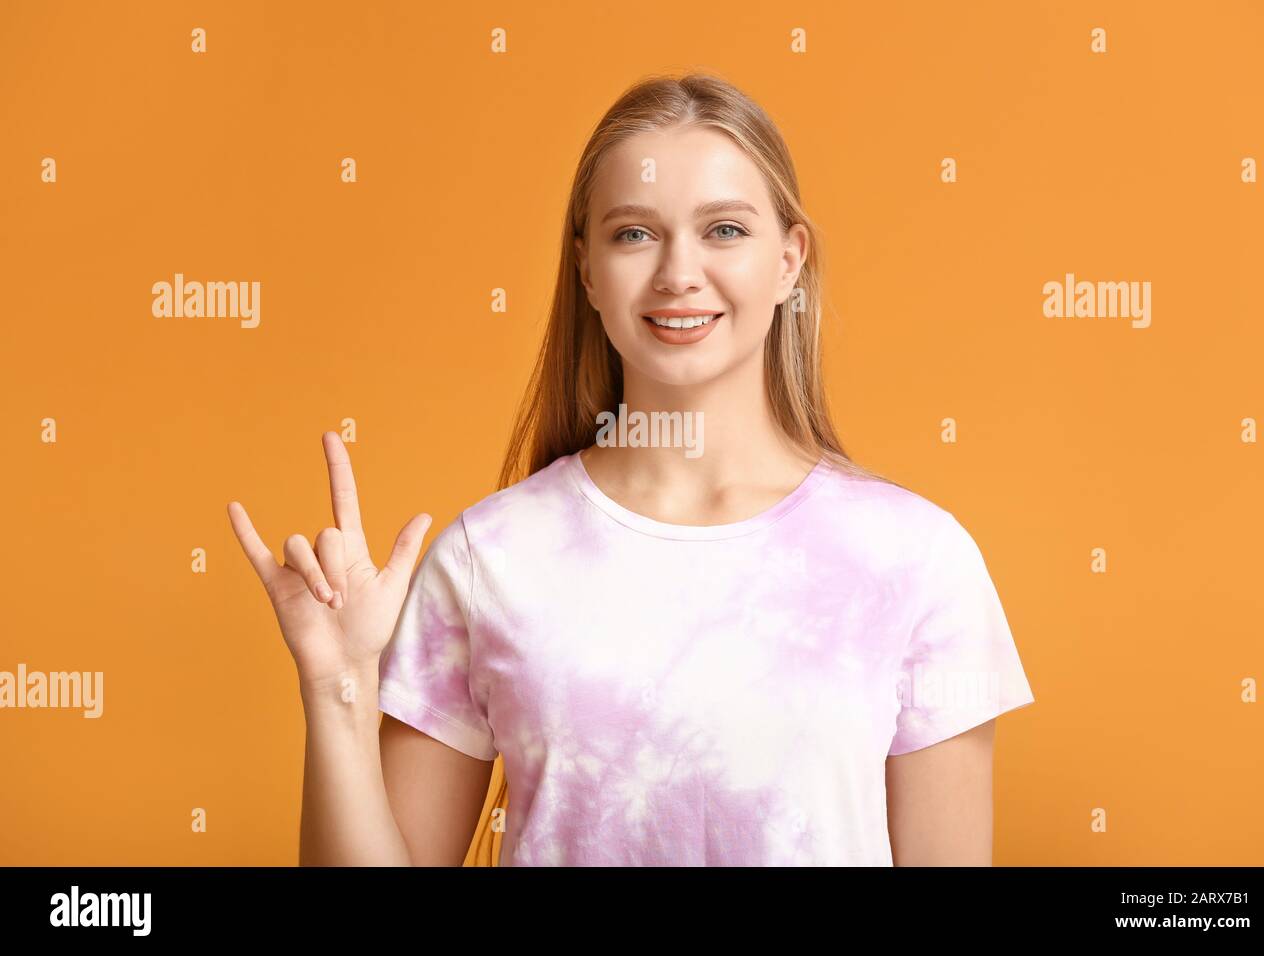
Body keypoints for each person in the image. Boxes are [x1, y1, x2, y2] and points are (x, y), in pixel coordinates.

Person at [227, 72, 1034, 867]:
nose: (679, 273)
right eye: (634, 233)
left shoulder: (916, 559)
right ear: (587, 271)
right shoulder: (490, 559)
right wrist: (338, 690)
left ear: (789, 260)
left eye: (724, 230)